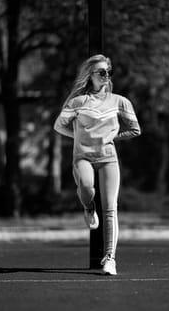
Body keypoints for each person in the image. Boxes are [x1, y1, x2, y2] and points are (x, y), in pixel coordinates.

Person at [54, 54, 141, 275]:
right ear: (90, 75)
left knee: (111, 209)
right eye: (101, 72)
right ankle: (88, 207)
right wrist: (80, 138)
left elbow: (135, 129)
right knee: (85, 186)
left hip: (108, 158)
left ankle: (110, 259)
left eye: (108, 72)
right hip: (82, 156)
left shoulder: (120, 101)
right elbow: (59, 126)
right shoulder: (77, 102)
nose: (105, 76)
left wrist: (112, 137)